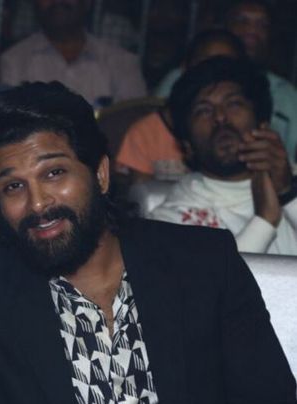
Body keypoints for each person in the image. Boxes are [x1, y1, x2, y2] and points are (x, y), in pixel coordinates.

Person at [0, 81, 297, 404]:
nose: (38, 204)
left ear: (101, 174)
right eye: (14, 187)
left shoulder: (201, 262)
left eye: (54, 173)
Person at [149, 56, 297, 255]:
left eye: (233, 104)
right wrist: (264, 221)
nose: (220, 117)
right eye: (204, 110)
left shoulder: (291, 183)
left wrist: (288, 194)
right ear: (187, 146)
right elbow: (204, 276)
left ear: (263, 125)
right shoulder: (170, 221)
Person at [155, 0, 297, 162]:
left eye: (262, 25)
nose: (252, 30)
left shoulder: (285, 93)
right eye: (242, 21)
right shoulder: (180, 80)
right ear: (223, 26)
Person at [116, 29, 247, 182]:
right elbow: (139, 194)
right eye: (205, 66)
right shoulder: (146, 133)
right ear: (185, 69)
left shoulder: (245, 131)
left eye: (226, 68)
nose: (214, 77)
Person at [0, 0, 146, 110]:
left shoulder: (123, 62)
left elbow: (134, 122)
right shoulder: (13, 62)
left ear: (88, 2)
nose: (57, 1)